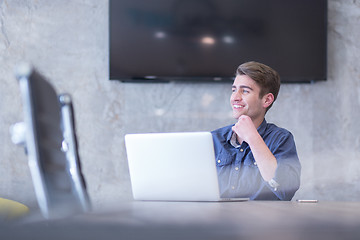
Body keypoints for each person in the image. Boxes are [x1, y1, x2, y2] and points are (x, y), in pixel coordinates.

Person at [211, 61, 301, 200]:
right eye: (234, 90)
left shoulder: (281, 139)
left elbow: (286, 190)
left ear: (267, 100)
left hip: (261, 220)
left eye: (245, 91)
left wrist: (253, 138)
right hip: (216, 219)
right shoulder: (214, 138)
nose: (235, 97)